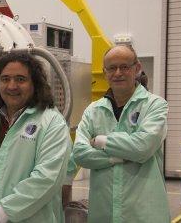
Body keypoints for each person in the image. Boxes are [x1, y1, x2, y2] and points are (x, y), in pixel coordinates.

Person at [0, 52, 72, 223]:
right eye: (5, 79)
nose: (12, 86)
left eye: (20, 79)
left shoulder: (52, 123)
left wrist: (0, 214)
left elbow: (46, 179)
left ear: (35, 84)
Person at [72, 45, 169, 222]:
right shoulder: (93, 111)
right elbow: (79, 154)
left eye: (124, 67)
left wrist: (101, 141)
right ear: (104, 72)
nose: (118, 73)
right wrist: (117, 157)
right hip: (104, 213)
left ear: (137, 68)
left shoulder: (155, 105)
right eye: (112, 68)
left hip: (143, 213)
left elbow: (142, 147)